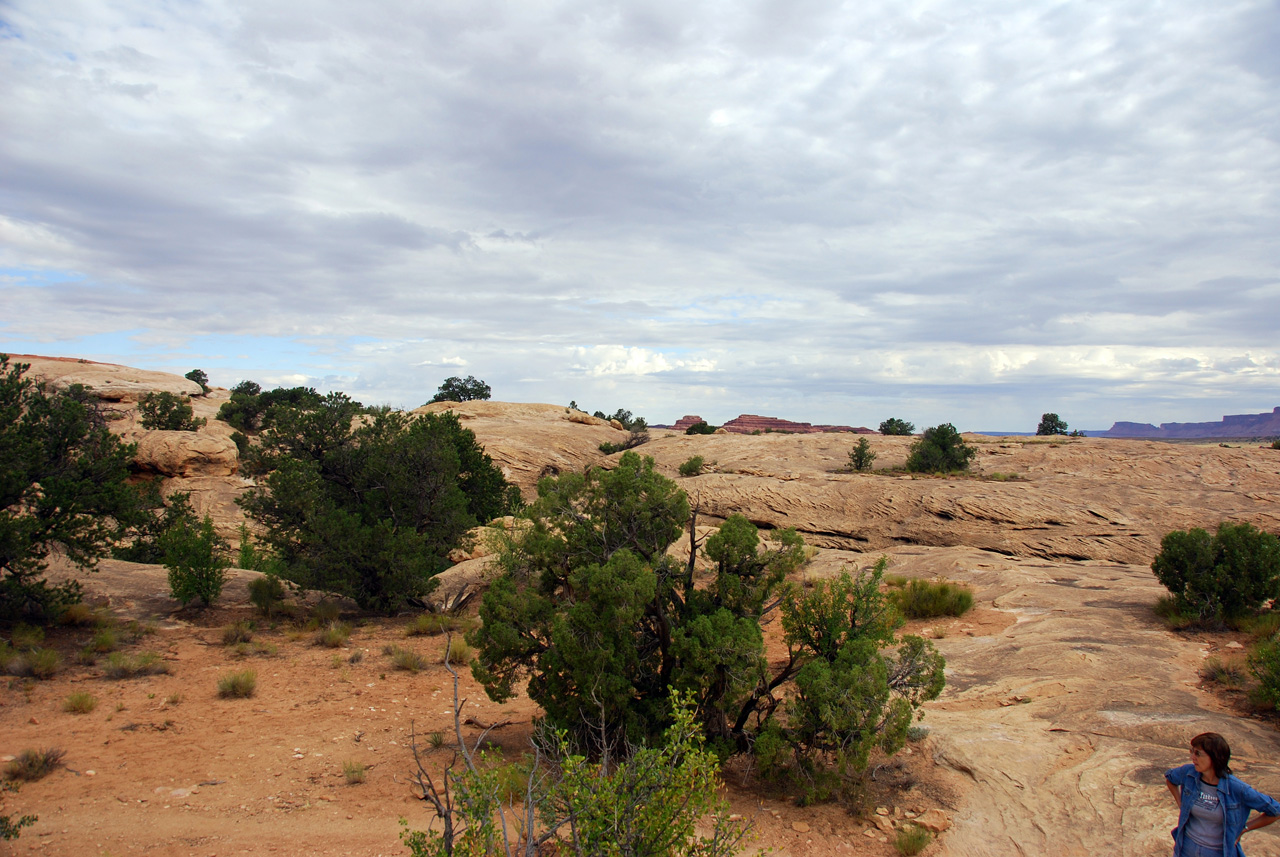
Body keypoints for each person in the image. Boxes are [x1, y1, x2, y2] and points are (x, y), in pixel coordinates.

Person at [1166, 732, 1280, 856]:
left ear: (1214, 757)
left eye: (1198, 753)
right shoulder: (1189, 773)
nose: (1193, 757)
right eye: (1192, 751)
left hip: (1217, 852)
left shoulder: (1237, 788)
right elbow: (1170, 778)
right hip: (1185, 848)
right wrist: (1180, 803)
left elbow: (1275, 811)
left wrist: (1244, 828)